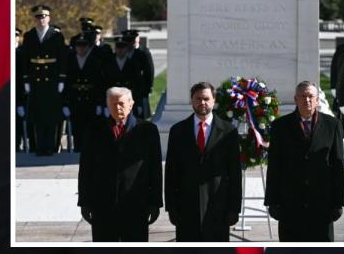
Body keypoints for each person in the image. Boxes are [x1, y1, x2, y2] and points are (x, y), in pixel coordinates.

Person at [78, 86, 162, 242]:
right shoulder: (94, 130)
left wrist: (155, 202)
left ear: (131, 104)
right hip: (103, 205)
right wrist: (84, 201)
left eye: (121, 103)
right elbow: (85, 168)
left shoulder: (147, 130)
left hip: (136, 204)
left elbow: (155, 169)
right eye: (112, 103)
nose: (117, 107)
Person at [265, 81, 344, 241]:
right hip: (291, 205)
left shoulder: (333, 125)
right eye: (303, 96)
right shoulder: (280, 127)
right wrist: (272, 201)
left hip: (322, 205)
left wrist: (338, 202)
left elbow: (338, 166)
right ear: (295, 99)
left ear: (317, 100)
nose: (307, 100)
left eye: (311, 96)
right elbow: (274, 166)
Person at [165, 82, 242, 242]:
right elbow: (171, 172)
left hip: (217, 209)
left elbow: (234, 173)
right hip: (186, 209)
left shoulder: (229, 132)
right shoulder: (178, 131)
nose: (202, 103)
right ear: (191, 100)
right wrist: (171, 207)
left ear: (214, 100)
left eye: (206, 98)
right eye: (198, 98)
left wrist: (234, 208)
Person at [21, 4, 68, 155]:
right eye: (38, 17)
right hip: (36, 80)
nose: (41, 19)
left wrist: (61, 79)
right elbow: (25, 59)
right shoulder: (29, 36)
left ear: (49, 18)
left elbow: (62, 58)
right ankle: (40, 147)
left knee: (51, 116)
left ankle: (51, 146)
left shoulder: (56, 35)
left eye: (44, 16)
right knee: (38, 116)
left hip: (52, 80)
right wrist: (27, 79)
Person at [63, 30, 108, 154]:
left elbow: (100, 84)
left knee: (90, 126)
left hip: (91, 99)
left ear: (88, 47)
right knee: (77, 126)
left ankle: (89, 148)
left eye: (84, 46)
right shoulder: (70, 61)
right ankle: (78, 147)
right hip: (75, 98)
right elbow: (67, 84)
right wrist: (65, 103)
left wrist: (100, 103)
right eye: (79, 46)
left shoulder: (94, 61)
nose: (81, 49)